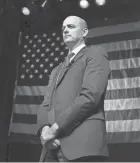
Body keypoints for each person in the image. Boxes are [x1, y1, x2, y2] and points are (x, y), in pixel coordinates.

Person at [37, 15, 110, 162]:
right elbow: (46, 104)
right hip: (51, 148)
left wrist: (55, 129)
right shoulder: (56, 70)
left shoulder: (95, 54)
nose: (65, 30)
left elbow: (90, 96)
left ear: (84, 32)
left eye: (71, 27)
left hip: (82, 145)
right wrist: (45, 130)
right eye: (63, 28)